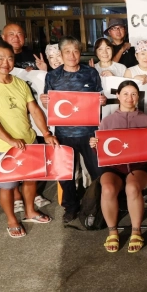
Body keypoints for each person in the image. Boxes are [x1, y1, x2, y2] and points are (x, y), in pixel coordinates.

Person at [0, 40, 58, 238]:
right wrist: (10, 140)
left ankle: (30, 211)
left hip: (28, 141)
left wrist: (46, 133)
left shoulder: (20, 83)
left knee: (31, 180)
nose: (6, 62)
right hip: (2, 146)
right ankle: (12, 220)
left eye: (10, 58)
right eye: (0, 58)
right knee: (8, 186)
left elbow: (34, 110)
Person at [40, 35, 106, 224]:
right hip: (63, 133)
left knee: (97, 171)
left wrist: (101, 100)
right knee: (65, 173)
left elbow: (99, 97)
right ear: (61, 54)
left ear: (80, 53)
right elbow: (48, 105)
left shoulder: (91, 73)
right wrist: (44, 102)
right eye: (67, 51)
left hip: (90, 132)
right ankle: (71, 207)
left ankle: (98, 205)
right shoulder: (52, 76)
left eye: (75, 51)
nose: (72, 55)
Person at [89, 80, 147, 253]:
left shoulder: (146, 119)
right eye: (126, 94)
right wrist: (94, 146)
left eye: (134, 94)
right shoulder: (107, 121)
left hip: (139, 167)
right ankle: (112, 231)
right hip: (114, 167)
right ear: (118, 96)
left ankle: (136, 231)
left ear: (138, 97)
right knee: (107, 188)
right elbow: (101, 153)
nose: (130, 98)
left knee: (132, 187)